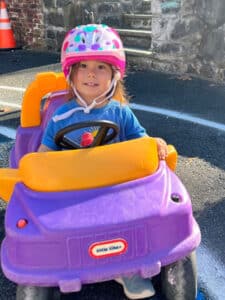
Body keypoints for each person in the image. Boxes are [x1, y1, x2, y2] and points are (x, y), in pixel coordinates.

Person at [38, 23, 168, 299]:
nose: (91, 74)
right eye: (83, 65)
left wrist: (153, 144)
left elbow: (139, 140)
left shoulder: (121, 113)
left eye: (101, 67)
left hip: (113, 186)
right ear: (71, 73)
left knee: (130, 218)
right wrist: (43, 164)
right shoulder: (60, 116)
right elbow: (44, 156)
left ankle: (128, 268)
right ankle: (60, 258)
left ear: (114, 75)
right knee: (58, 221)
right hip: (73, 188)